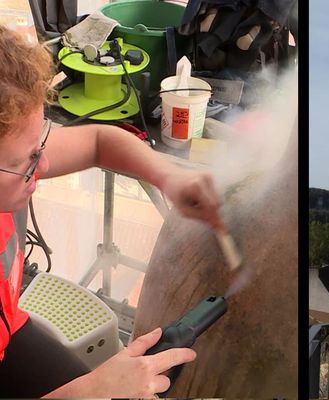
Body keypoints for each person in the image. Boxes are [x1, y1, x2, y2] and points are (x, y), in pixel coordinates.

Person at [0, 25, 224, 397]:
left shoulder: (13, 156)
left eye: (41, 144)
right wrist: (94, 390)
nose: (43, 165)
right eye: (26, 162)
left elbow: (99, 140)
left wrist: (167, 175)